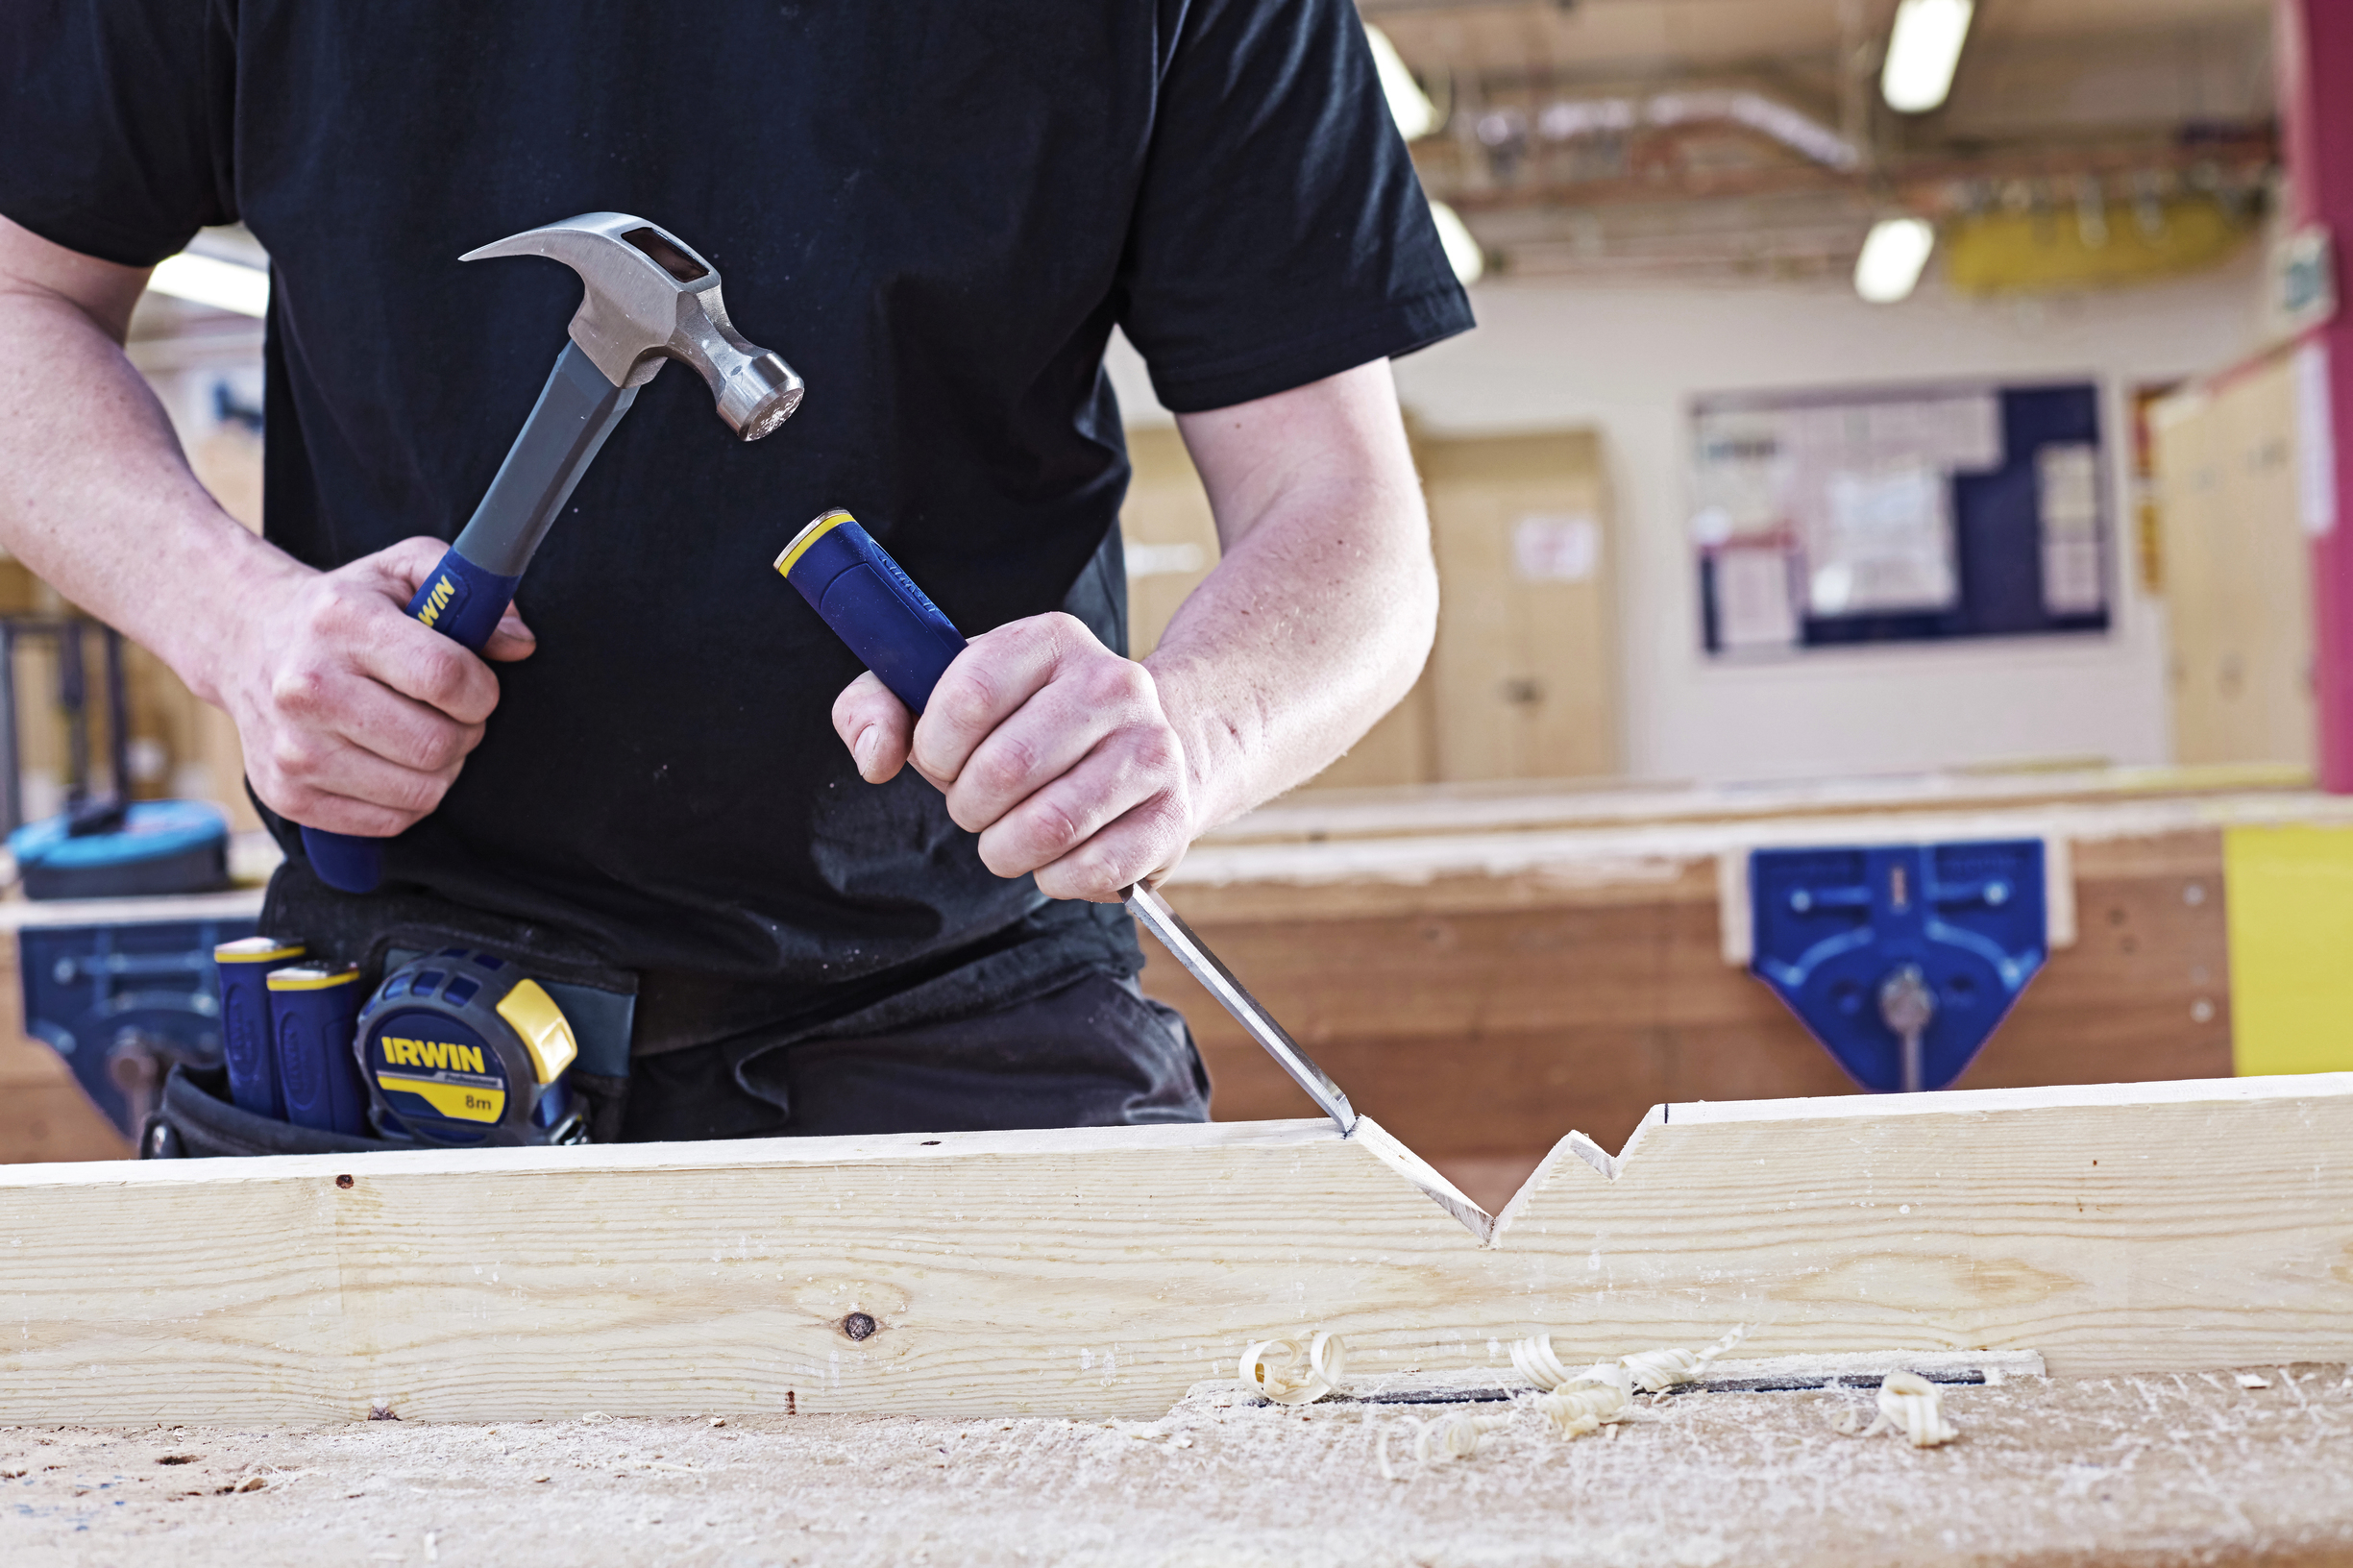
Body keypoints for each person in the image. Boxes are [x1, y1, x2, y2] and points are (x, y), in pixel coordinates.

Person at [0, 1, 1472, 1143]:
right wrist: (237, 622)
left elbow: (1341, 512)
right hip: (414, 1017)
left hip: (967, 999)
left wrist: (1184, 736)